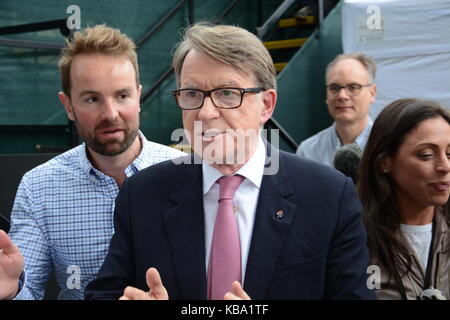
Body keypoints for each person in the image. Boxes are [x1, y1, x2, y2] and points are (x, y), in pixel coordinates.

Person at [85, 23, 374, 300]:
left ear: (266, 104)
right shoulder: (142, 195)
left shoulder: (328, 196)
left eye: (227, 93)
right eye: (192, 94)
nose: (206, 113)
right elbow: (104, 292)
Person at [0, 25, 185, 300]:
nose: (110, 113)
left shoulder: (186, 172)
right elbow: (27, 287)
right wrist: (11, 289)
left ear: (138, 96)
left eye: (122, 96)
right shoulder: (38, 187)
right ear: (68, 106)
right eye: (92, 99)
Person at [358, 98, 450, 300]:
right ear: (385, 162)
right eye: (426, 155)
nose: (444, 166)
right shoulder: (352, 240)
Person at [296, 53, 377, 166]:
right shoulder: (309, 151)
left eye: (353, 87)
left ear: (372, 93)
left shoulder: (388, 146)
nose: (342, 96)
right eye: (334, 88)